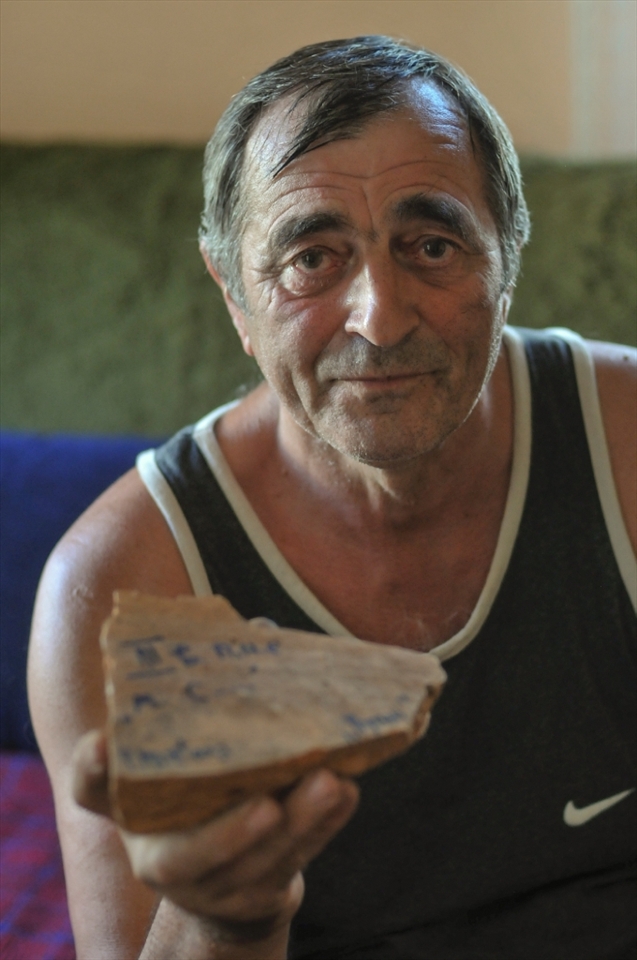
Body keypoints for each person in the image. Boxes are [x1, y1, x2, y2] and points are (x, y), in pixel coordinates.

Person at [28, 36, 636, 960]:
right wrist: (230, 912)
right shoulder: (118, 589)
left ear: (506, 259)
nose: (380, 319)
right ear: (231, 292)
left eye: (432, 245)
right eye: (311, 258)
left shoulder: (624, 443)